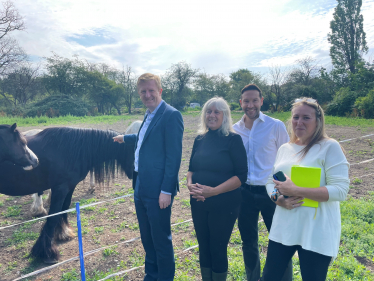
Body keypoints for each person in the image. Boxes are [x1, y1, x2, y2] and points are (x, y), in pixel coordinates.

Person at [261, 98, 350, 281]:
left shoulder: (329, 147)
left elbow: (341, 190)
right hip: (284, 227)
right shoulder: (285, 148)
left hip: (316, 231)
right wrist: (278, 199)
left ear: (318, 120)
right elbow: (271, 181)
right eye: (295, 117)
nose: (299, 122)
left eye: (306, 118)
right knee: (270, 277)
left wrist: (296, 190)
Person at [113, 73, 184, 281]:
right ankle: (151, 276)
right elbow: (144, 137)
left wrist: (166, 190)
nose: (147, 95)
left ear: (160, 91)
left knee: (161, 239)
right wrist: (125, 138)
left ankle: (165, 278)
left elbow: (174, 158)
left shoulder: (171, 115)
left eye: (151, 90)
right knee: (147, 238)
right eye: (143, 91)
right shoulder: (149, 113)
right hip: (140, 185)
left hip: (158, 190)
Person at [232, 84, 292, 281]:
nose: (251, 105)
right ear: (241, 103)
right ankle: (253, 277)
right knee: (248, 241)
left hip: (271, 192)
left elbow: (288, 159)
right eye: (246, 101)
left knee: (280, 240)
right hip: (244, 193)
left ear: (261, 101)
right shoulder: (234, 130)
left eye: (254, 100)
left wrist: (285, 192)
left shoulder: (275, 126)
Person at [187, 97, 247, 281]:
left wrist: (213, 191)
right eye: (208, 111)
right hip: (198, 202)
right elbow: (191, 169)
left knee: (217, 248)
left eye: (216, 112)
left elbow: (241, 176)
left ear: (224, 115)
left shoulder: (233, 139)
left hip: (224, 204)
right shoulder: (199, 139)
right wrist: (189, 184)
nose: (211, 115)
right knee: (203, 246)